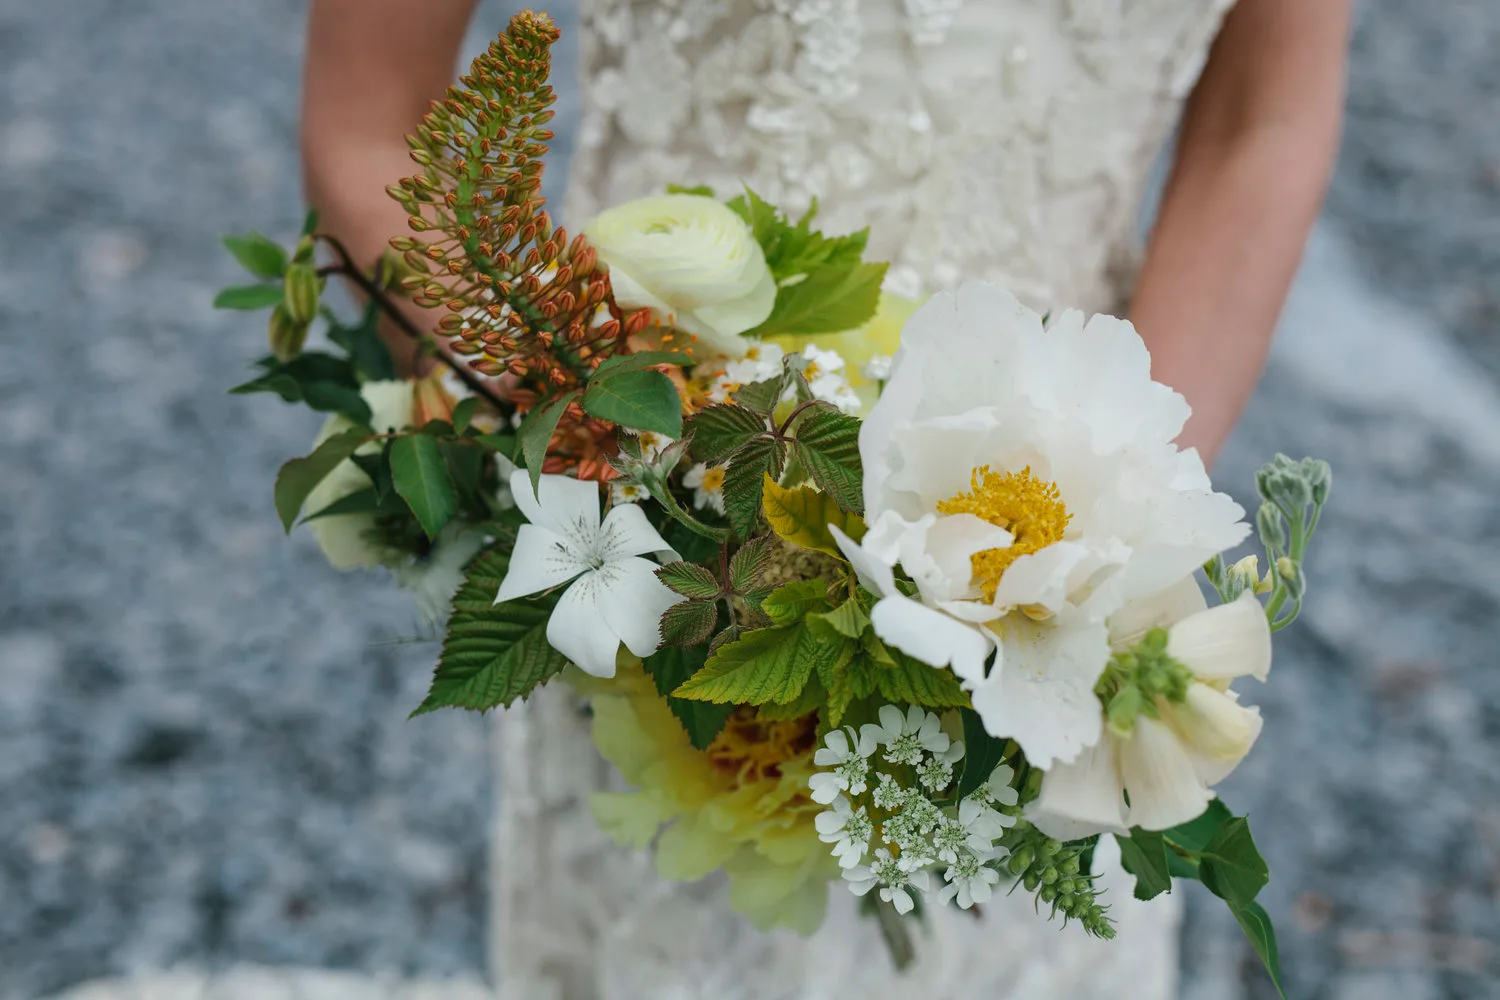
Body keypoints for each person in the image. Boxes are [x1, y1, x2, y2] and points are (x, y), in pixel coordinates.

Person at [302, 2, 1350, 997]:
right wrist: (615, 470)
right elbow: (372, 123)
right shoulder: (651, 538)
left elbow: (1262, 124)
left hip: (1047, 616)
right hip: (666, 581)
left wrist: (1108, 535)